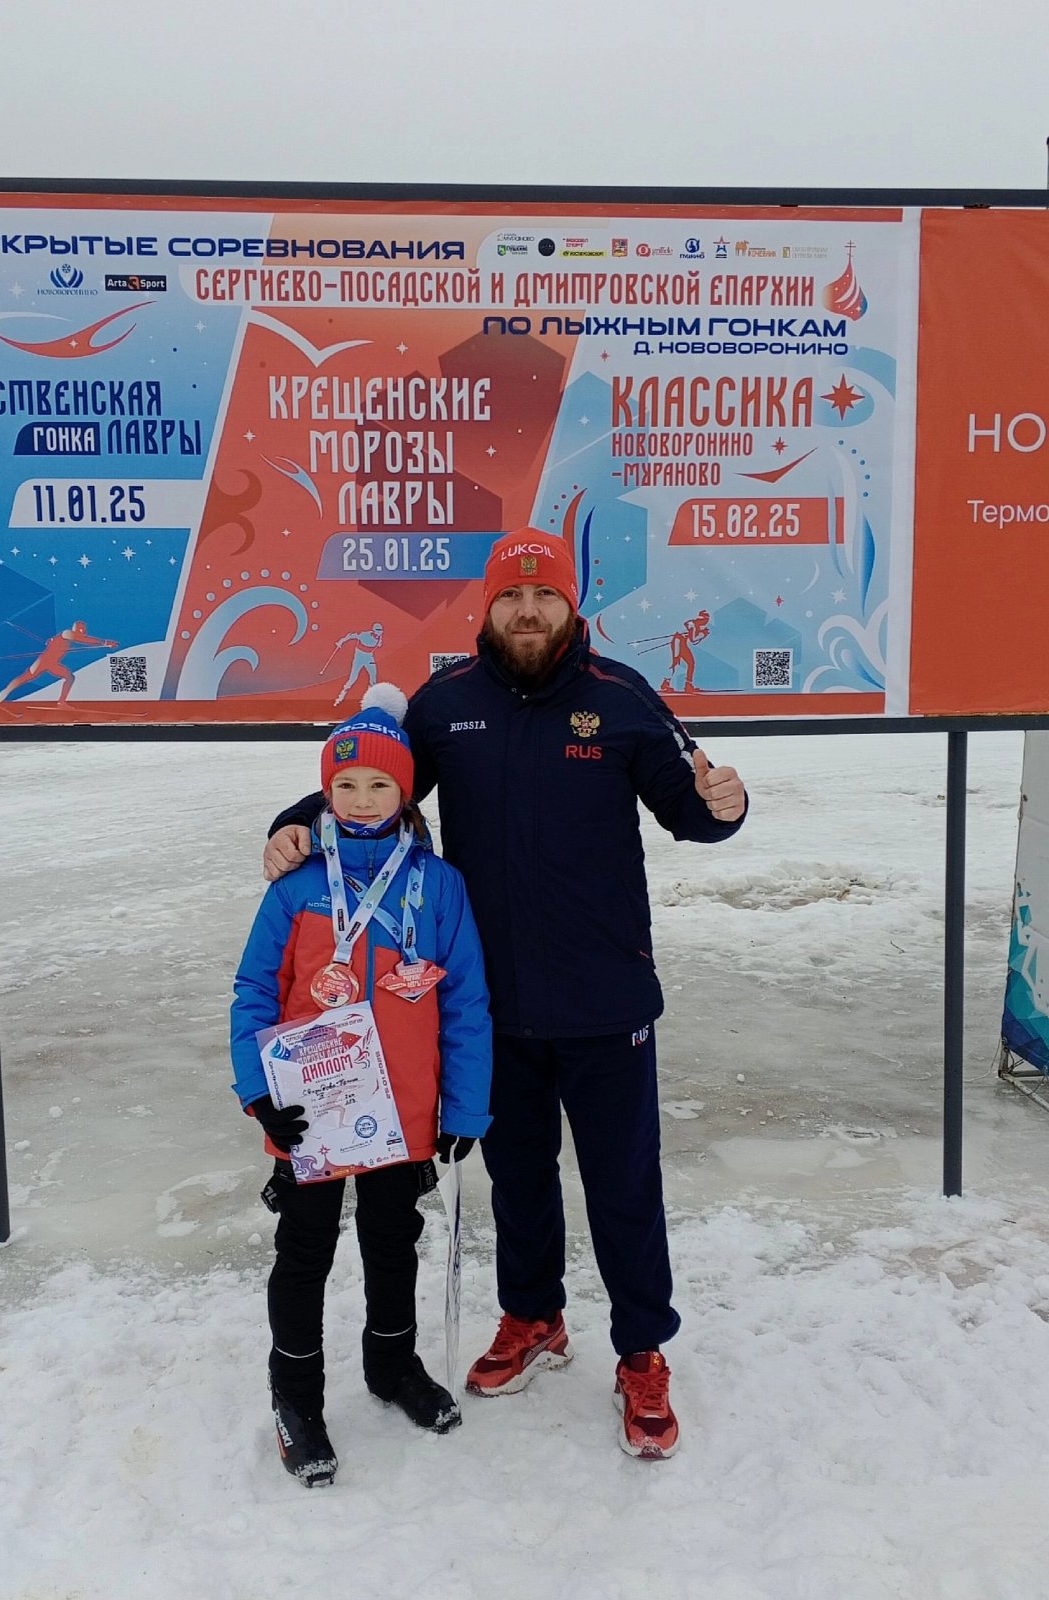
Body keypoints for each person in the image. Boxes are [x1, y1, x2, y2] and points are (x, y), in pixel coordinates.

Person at [265, 528, 747, 1462]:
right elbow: (374, 783)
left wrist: (721, 807)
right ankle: (533, 1316)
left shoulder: (621, 699)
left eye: (545, 595)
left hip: (607, 1001)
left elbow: (689, 809)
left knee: (624, 1187)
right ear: (486, 609)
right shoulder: (447, 705)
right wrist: (294, 823)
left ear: (571, 606)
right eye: (511, 597)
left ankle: (641, 1352)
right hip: (493, 1004)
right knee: (518, 1177)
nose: (528, 611)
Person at [232, 685, 492, 1488]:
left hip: (400, 1114)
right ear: (325, 792)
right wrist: (257, 1091)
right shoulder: (296, 887)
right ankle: (296, 1397)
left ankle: (392, 1365)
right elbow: (253, 991)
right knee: (304, 1250)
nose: (362, 799)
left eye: (380, 784)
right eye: (345, 784)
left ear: (406, 791)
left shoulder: (439, 886)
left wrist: (465, 1107)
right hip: (309, 1113)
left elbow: (465, 1003)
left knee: (392, 1241)